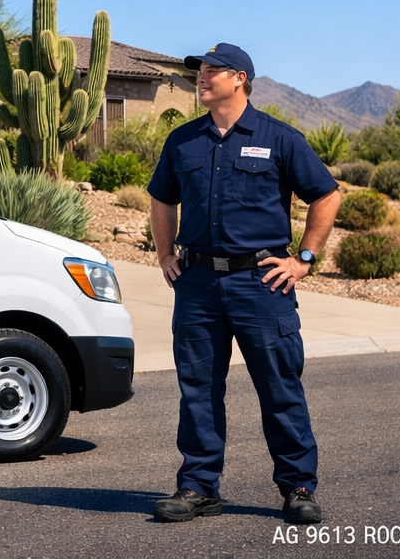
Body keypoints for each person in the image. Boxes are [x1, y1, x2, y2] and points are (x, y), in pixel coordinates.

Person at [146, 44, 340, 525]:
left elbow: (326, 194)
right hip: (197, 286)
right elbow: (162, 199)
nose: (201, 77)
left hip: (261, 284)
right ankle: (198, 487)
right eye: (200, 71)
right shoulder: (183, 141)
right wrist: (166, 254)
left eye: (212, 70)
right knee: (198, 391)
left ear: (240, 79)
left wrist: (304, 259)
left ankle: (298, 487)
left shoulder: (279, 138)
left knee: (279, 389)